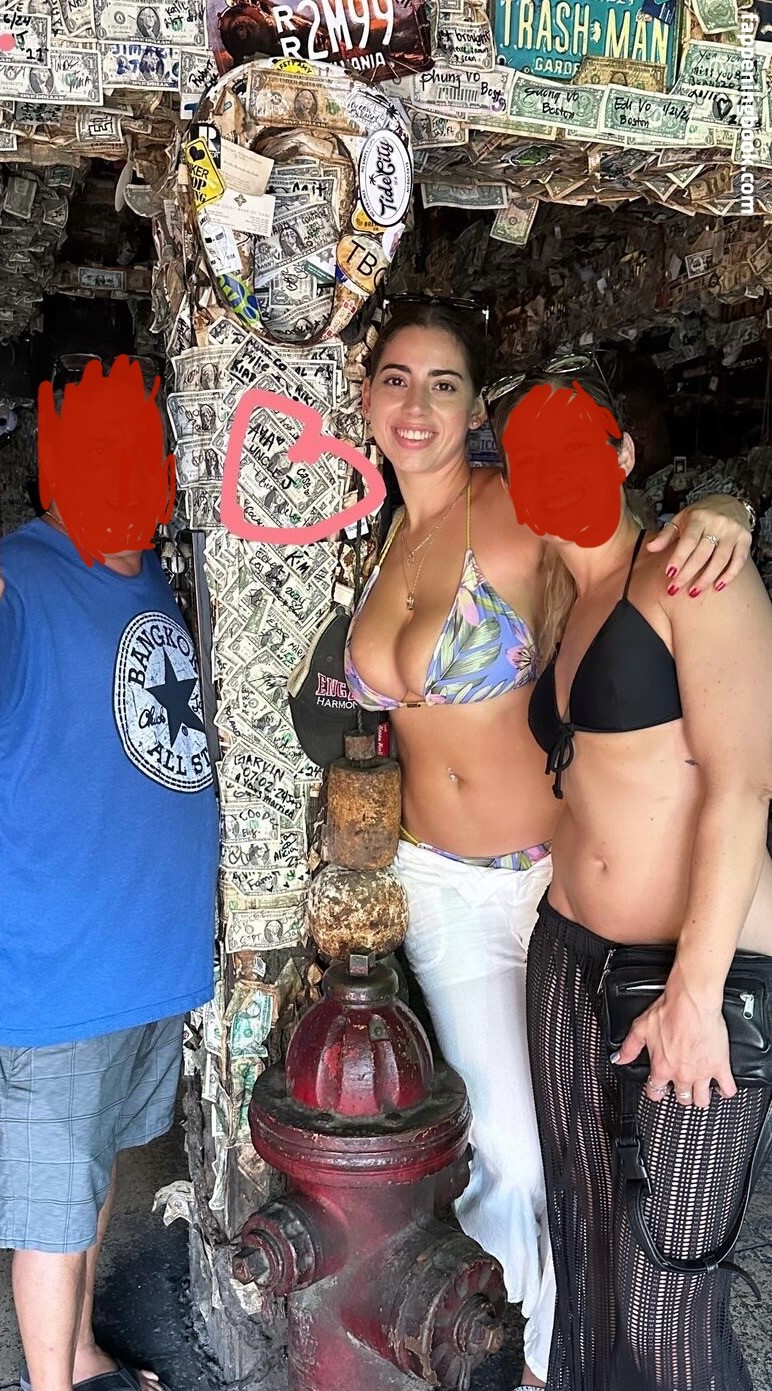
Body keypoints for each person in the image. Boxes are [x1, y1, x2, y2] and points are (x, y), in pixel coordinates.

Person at [344, 300, 754, 1390]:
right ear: (367, 396)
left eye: (443, 383)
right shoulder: (376, 535)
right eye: (396, 379)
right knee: (519, 1157)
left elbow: (630, 544)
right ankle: (529, 1362)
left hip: (543, 878)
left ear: (475, 409)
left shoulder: (515, 505)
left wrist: (725, 508)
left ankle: (586, 1355)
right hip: (436, 883)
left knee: (596, 1168)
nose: (416, 404)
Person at [492, 365, 772, 1391]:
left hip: (694, 973)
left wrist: (696, 991)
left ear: (622, 452)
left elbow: (743, 789)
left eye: (577, 443)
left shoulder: (694, 571)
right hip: (567, 953)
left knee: (667, 1298)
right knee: (586, 1252)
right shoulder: (568, 601)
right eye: (528, 456)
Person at [0, 367, 218, 1391]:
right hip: (55, 978)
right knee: (52, 1212)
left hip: (139, 969)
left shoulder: (147, 575)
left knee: (90, 1178)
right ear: (56, 465)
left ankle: (82, 1353)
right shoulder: (11, 581)